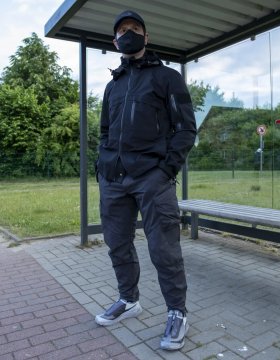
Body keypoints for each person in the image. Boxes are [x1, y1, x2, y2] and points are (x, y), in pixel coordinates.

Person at [95, 10, 197, 351]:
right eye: (122, 31)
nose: (128, 34)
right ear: (115, 41)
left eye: (134, 29)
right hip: (114, 179)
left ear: (146, 37)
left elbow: (185, 129)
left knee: (164, 249)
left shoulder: (166, 78)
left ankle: (177, 312)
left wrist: (166, 170)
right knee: (116, 243)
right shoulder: (113, 85)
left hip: (152, 178)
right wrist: (103, 165)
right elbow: (105, 132)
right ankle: (128, 299)